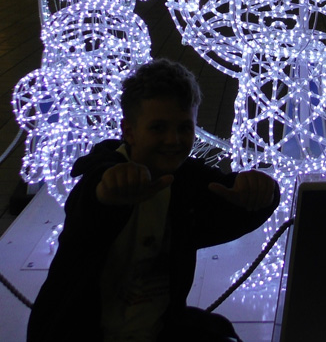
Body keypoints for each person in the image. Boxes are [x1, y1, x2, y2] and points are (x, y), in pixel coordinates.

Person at [27, 59, 280, 342]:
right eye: (158, 128)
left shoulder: (186, 181)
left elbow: (230, 203)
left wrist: (263, 191)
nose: (173, 140)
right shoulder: (100, 178)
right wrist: (108, 192)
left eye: (184, 128)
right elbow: (89, 209)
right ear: (129, 131)